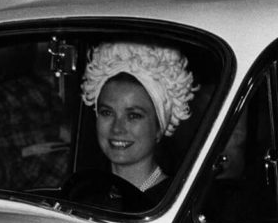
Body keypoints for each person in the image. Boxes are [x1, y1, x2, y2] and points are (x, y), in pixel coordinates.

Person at [64, 41, 198, 210]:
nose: (117, 128)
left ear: (158, 128)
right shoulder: (82, 194)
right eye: (107, 112)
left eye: (133, 115)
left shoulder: (176, 204)